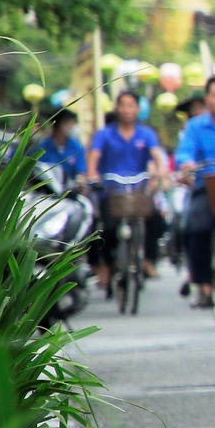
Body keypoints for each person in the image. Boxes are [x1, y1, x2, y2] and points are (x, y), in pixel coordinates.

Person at [86, 89, 169, 292]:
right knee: (108, 227)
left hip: (138, 190)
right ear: (117, 108)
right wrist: (92, 176)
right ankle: (107, 265)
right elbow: (93, 160)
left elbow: (158, 156)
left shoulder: (146, 134)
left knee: (157, 220)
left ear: (138, 109)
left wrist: (160, 174)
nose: (126, 109)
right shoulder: (105, 134)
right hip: (111, 190)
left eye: (131, 105)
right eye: (123, 104)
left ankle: (148, 260)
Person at [175, 76, 215, 309]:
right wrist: (186, 164)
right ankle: (203, 286)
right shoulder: (195, 126)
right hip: (207, 188)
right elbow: (184, 153)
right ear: (208, 99)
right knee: (196, 228)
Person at [33, 108, 85, 187]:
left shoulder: (77, 148)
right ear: (60, 125)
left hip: (70, 192)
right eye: (70, 123)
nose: (73, 127)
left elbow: (81, 173)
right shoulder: (42, 148)